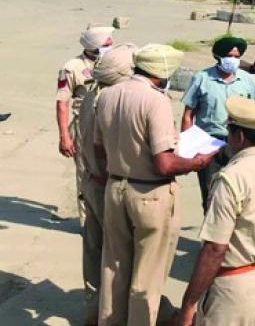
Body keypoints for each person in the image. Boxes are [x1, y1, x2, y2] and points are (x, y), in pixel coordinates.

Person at [93, 44, 216, 325]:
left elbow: (100, 149)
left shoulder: (108, 95)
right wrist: (197, 162)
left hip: (116, 188)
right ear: (163, 73)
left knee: (114, 268)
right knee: (147, 278)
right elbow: (164, 164)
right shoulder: (155, 100)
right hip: (150, 193)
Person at [174, 97, 255, 326]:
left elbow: (215, 248)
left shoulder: (232, 178)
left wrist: (189, 303)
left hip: (237, 286)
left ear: (240, 136)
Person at [77, 43, 136, 326]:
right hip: (106, 184)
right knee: (116, 256)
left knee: (93, 247)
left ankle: (93, 308)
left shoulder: (91, 95)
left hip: (91, 180)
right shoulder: (110, 100)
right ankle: (110, 314)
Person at [181, 36, 255, 213]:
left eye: (237, 56)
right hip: (209, 142)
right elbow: (188, 115)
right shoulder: (202, 78)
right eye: (229, 55)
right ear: (218, 57)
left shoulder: (247, 80)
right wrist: (188, 146)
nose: (233, 60)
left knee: (240, 192)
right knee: (211, 193)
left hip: (240, 142)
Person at [57, 25, 114, 224]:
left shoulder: (113, 62)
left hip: (110, 123)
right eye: (107, 41)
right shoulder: (71, 67)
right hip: (84, 124)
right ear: (94, 45)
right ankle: (88, 222)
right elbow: (62, 103)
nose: (111, 44)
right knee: (85, 173)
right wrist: (64, 136)